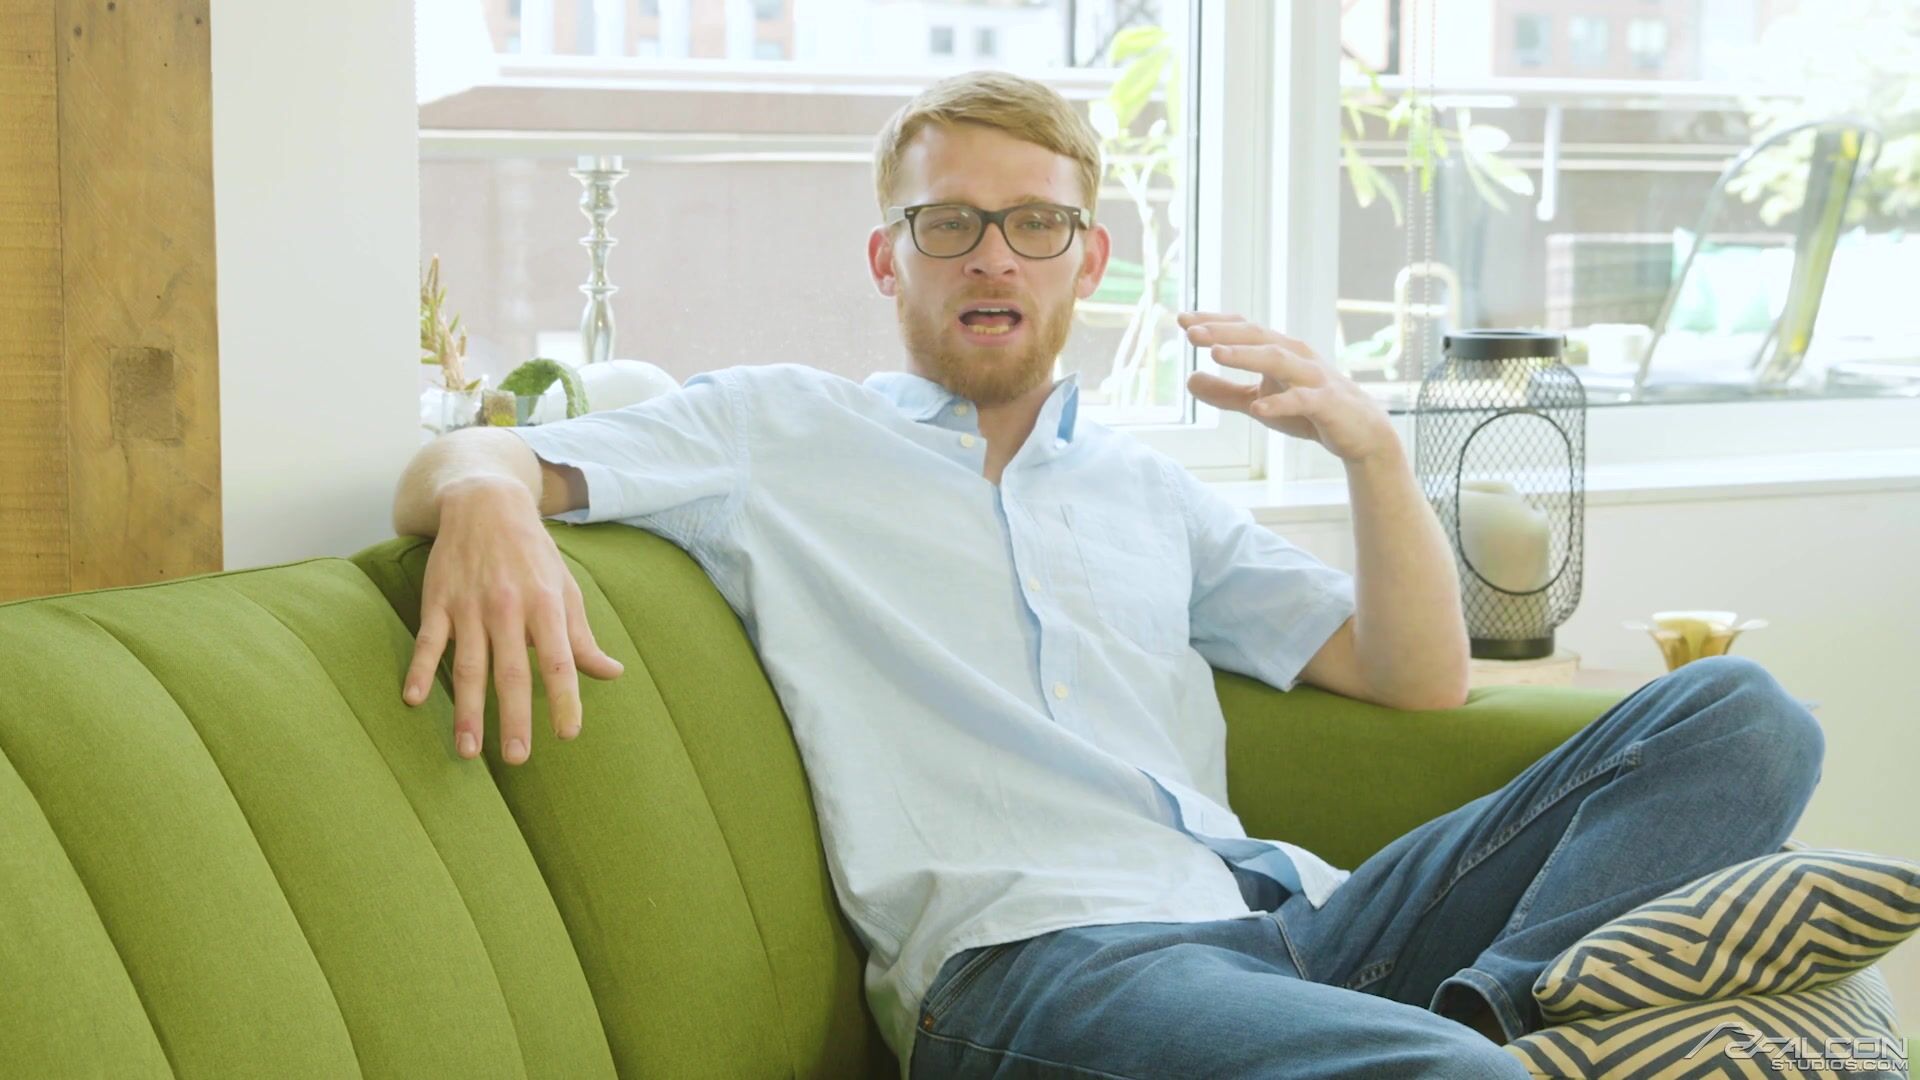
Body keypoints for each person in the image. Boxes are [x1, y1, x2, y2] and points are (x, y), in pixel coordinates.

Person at [390, 71, 1823, 1080]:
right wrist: (490, 498)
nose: (992, 255)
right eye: (949, 222)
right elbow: (463, 461)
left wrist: (1372, 448)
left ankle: (1486, 1013)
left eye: (1035, 223)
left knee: (1745, 717)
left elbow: (1418, 678)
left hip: (1287, 924)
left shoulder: (1146, 493)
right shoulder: (778, 431)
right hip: (1043, 970)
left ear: (1088, 260)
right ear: (888, 259)